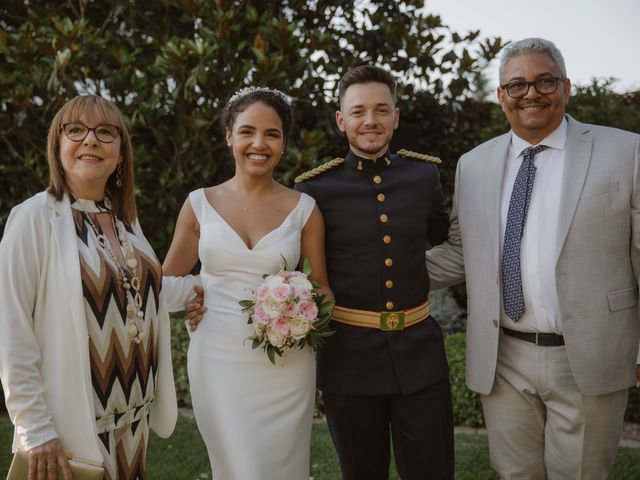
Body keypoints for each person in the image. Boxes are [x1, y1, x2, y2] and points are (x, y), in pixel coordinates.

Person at [426, 37, 640, 478]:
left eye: (545, 81)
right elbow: (462, 253)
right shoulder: (474, 164)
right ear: (501, 95)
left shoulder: (626, 152)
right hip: (503, 355)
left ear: (566, 86)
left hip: (588, 354)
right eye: (517, 85)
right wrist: (372, 273)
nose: (531, 94)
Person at [0, 95, 177, 480]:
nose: (91, 140)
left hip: (133, 425)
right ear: (57, 145)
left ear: (121, 152)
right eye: (75, 130)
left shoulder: (124, 220)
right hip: (73, 431)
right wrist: (36, 428)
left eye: (105, 132)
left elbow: (137, 290)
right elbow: (10, 327)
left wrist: (205, 291)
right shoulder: (33, 218)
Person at [162, 86, 331, 479]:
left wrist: (303, 308)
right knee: (237, 467)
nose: (259, 143)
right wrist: (189, 297)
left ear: (284, 143)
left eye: (272, 134)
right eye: (247, 131)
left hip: (286, 365)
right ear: (229, 136)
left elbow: (322, 286)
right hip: (217, 360)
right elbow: (167, 280)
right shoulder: (198, 204)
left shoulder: (305, 209)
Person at [294, 65, 453, 479]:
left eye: (382, 110)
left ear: (395, 117)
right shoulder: (315, 189)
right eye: (359, 111)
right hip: (349, 359)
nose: (371, 121)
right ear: (341, 120)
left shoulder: (423, 176)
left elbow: (442, 238)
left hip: (420, 354)